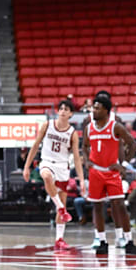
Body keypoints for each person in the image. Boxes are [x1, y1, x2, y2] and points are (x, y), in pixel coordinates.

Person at [84, 95, 136, 255]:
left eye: (97, 108)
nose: (93, 110)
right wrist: (86, 161)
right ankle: (101, 240)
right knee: (97, 206)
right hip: (95, 171)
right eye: (93, 107)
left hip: (112, 172)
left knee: (120, 206)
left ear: (106, 111)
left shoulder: (115, 126)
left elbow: (132, 143)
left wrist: (123, 164)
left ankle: (128, 240)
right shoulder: (89, 127)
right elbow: (84, 146)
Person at [23, 100, 84, 250]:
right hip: (47, 162)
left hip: (63, 166)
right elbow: (36, 145)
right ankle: (62, 209)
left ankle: (59, 239)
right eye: (61, 108)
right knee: (46, 176)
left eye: (66, 109)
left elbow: (76, 157)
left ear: (71, 114)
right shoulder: (47, 125)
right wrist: (27, 167)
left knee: (61, 201)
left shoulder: (72, 133)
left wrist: (81, 179)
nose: (62, 111)